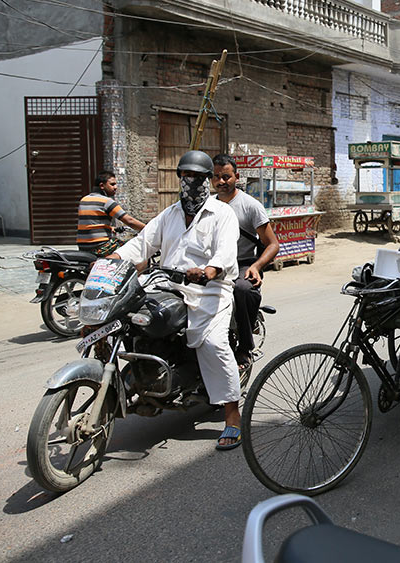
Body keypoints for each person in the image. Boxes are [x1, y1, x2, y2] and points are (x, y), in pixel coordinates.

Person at [110, 150, 243, 451]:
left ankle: (232, 417)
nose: (191, 182)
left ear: (208, 181)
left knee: (213, 344)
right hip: (167, 285)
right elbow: (141, 244)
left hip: (210, 289)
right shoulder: (168, 215)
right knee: (125, 319)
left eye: (197, 177)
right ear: (179, 177)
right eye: (186, 176)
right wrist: (112, 259)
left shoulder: (222, 214)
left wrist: (209, 269)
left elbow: (225, 252)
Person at [212, 154, 280, 369]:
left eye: (226, 176)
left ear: (236, 177)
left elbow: (272, 244)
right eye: (216, 177)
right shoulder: (207, 206)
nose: (221, 182)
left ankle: (244, 347)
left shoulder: (250, 206)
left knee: (242, 289)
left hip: (242, 263)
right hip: (214, 263)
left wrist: (256, 266)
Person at [77, 171, 146, 256]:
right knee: (137, 247)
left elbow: (92, 223)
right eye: (112, 184)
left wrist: (111, 228)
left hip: (83, 247)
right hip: (101, 246)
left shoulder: (84, 200)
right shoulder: (107, 202)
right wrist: (148, 228)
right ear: (102, 186)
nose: (115, 187)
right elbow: (129, 220)